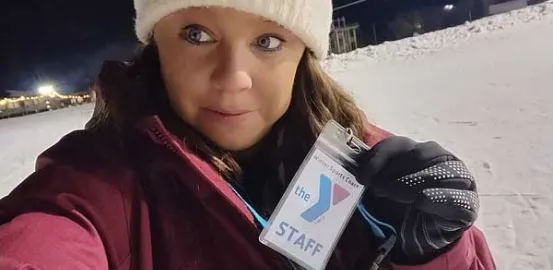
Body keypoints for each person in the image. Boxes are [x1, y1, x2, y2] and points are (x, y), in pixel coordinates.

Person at [0, 0, 496, 269]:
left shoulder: (370, 169)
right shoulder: (97, 180)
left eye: (267, 40)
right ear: (157, 46)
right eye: (197, 35)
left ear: (303, 53)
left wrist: (436, 254)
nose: (232, 76)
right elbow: (44, 236)